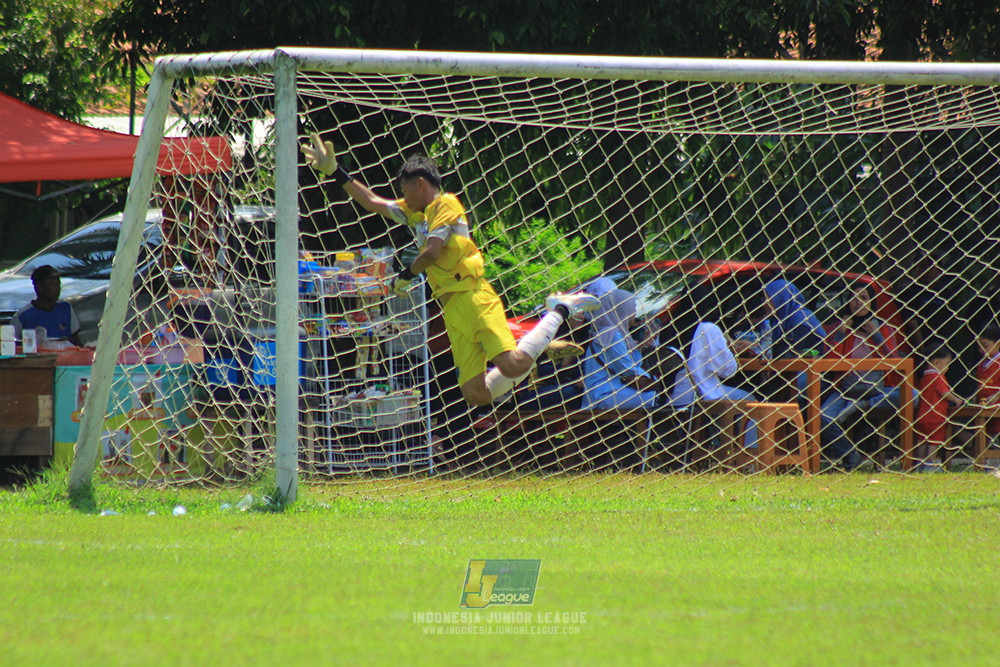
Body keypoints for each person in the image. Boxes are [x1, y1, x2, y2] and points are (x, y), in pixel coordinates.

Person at [301, 135, 598, 406]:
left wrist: (404, 276)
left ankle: (559, 309)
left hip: (472, 296)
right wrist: (336, 172)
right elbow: (373, 202)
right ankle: (537, 349)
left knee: (513, 366)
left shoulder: (445, 204)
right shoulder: (415, 213)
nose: (402, 197)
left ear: (420, 184)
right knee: (476, 394)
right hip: (452, 308)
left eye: (404, 190)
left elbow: (432, 251)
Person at [820, 285, 909, 469]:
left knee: (912, 396)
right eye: (854, 297)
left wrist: (876, 336)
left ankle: (861, 405)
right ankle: (850, 454)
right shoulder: (839, 328)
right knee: (823, 418)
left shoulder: (883, 327)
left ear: (872, 302)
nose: (858, 302)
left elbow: (894, 362)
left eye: (864, 297)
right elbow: (829, 362)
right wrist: (840, 334)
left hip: (877, 390)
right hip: (846, 389)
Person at [666, 287, 758, 451]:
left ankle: (718, 445)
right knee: (749, 400)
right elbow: (728, 370)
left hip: (672, 396)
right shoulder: (707, 328)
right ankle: (750, 453)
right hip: (699, 394)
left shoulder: (668, 328)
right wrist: (733, 351)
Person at [579, 289, 657, 411]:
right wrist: (653, 380)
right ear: (622, 309)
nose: (634, 313)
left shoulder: (605, 332)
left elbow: (628, 365)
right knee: (654, 396)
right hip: (604, 394)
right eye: (632, 308)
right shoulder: (612, 334)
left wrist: (642, 344)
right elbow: (628, 369)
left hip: (604, 392)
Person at [915, 342, 964, 469]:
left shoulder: (924, 378)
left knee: (922, 441)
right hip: (935, 416)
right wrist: (956, 399)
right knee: (934, 442)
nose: (947, 368)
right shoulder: (938, 377)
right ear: (936, 362)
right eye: (946, 364)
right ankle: (930, 464)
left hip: (922, 416)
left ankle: (920, 464)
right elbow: (944, 393)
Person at [12, 265, 84, 346]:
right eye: (53, 285)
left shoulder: (65, 308)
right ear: (39, 287)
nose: (58, 289)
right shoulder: (23, 317)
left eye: (58, 284)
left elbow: (75, 339)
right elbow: (11, 344)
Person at [762, 279, 826, 358]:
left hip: (818, 362)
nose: (764, 304)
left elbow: (786, 353)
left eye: (769, 300)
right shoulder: (778, 319)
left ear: (782, 299)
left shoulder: (802, 319)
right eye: (764, 299)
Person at [975, 323, 1000, 439]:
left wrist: (996, 396)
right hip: (983, 408)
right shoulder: (981, 364)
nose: (982, 350)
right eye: (979, 347)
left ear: (998, 343)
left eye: (985, 346)